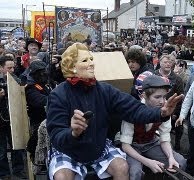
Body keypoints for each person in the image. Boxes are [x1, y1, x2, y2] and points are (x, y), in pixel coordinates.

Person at [46, 43, 183, 180]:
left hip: (97, 147)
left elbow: (133, 108)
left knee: (122, 167)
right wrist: (73, 132)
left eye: (91, 59)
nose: (91, 64)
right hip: (69, 151)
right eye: (84, 60)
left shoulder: (104, 90)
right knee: (62, 176)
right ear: (72, 67)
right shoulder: (58, 95)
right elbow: (56, 135)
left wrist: (160, 113)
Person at [120, 73, 186, 180]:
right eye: (157, 97)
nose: (162, 101)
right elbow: (125, 145)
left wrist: (171, 157)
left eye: (164, 97)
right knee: (135, 172)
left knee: (180, 161)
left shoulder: (165, 110)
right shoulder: (132, 111)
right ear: (144, 96)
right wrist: (148, 162)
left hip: (151, 143)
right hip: (133, 146)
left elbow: (164, 138)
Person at [0, 56, 25, 179]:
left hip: (12, 119)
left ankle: (18, 170)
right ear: (1, 68)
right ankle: (4, 173)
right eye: (9, 68)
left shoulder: (16, 79)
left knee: (17, 146)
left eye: (13, 67)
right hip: (0, 120)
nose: (12, 70)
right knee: (1, 149)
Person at [155, 55, 184, 150]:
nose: (168, 64)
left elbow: (180, 97)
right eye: (165, 62)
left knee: (169, 131)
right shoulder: (153, 76)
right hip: (155, 109)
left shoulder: (177, 79)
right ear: (160, 63)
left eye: (170, 62)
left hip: (171, 110)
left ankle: (176, 145)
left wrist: (175, 113)